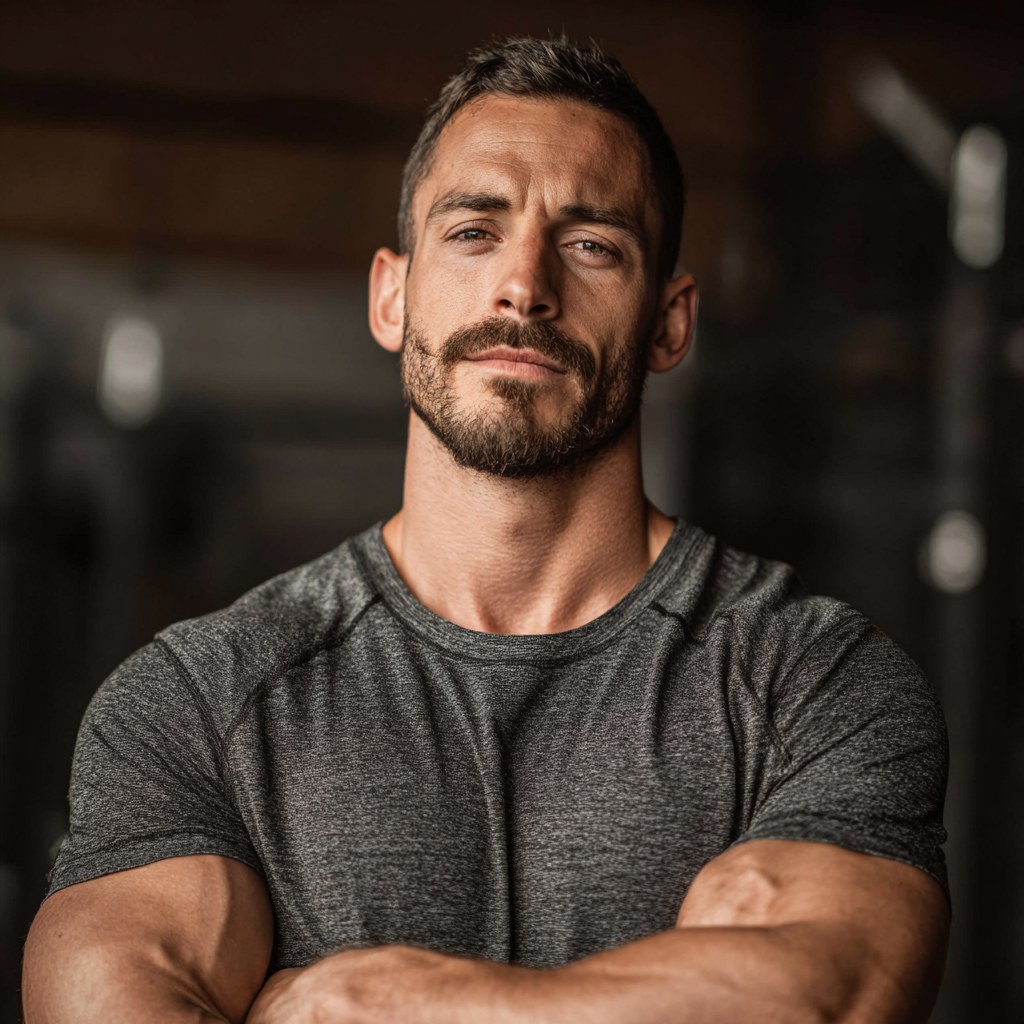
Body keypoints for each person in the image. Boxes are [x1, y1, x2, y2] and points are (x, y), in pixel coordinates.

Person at [23, 37, 949, 1024]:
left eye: (592, 245)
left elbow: (821, 994)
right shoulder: (195, 703)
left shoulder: (814, 682)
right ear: (392, 295)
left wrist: (365, 999)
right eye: (473, 232)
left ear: (669, 323)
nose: (523, 285)